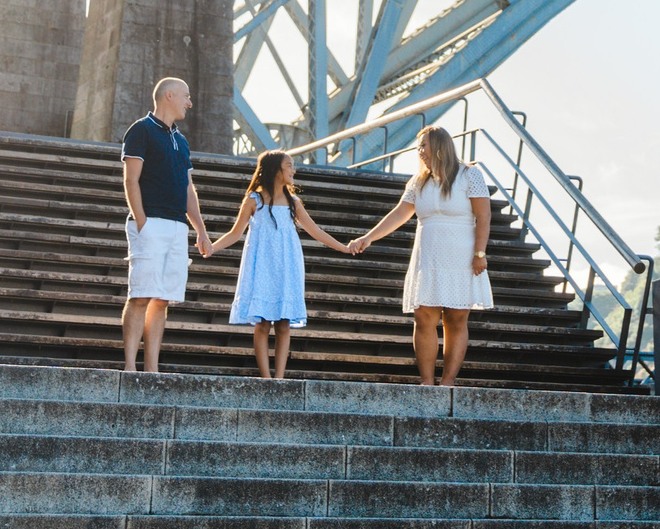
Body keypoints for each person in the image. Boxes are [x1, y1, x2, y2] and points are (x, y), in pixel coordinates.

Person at [348, 124, 493, 386]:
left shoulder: (470, 175)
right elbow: (399, 214)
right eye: (419, 147)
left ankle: (448, 381)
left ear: (439, 146)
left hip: (461, 254)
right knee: (424, 316)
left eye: (423, 145)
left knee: (456, 318)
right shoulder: (418, 181)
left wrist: (480, 253)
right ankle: (427, 381)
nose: (420, 151)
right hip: (429, 255)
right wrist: (368, 237)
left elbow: (483, 216)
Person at [209, 149, 346, 379]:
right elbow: (235, 233)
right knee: (262, 324)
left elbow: (315, 231)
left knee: (283, 324)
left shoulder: (293, 202)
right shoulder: (254, 200)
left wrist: (343, 247)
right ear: (276, 170)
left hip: (287, 265)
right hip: (262, 265)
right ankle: (266, 377)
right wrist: (212, 247)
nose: (294, 170)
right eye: (289, 165)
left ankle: (280, 378)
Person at [119, 77, 210, 373]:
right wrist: (142, 221)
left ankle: (152, 370)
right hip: (150, 224)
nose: (190, 102)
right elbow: (130, 179)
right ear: (169, 95)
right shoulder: (141, 130)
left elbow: (188, 189)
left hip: (176, 227)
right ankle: (131, 367)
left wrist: (200, 229)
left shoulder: (181, 140)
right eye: (186, 96)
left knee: (162, 300)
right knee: (141, 295)